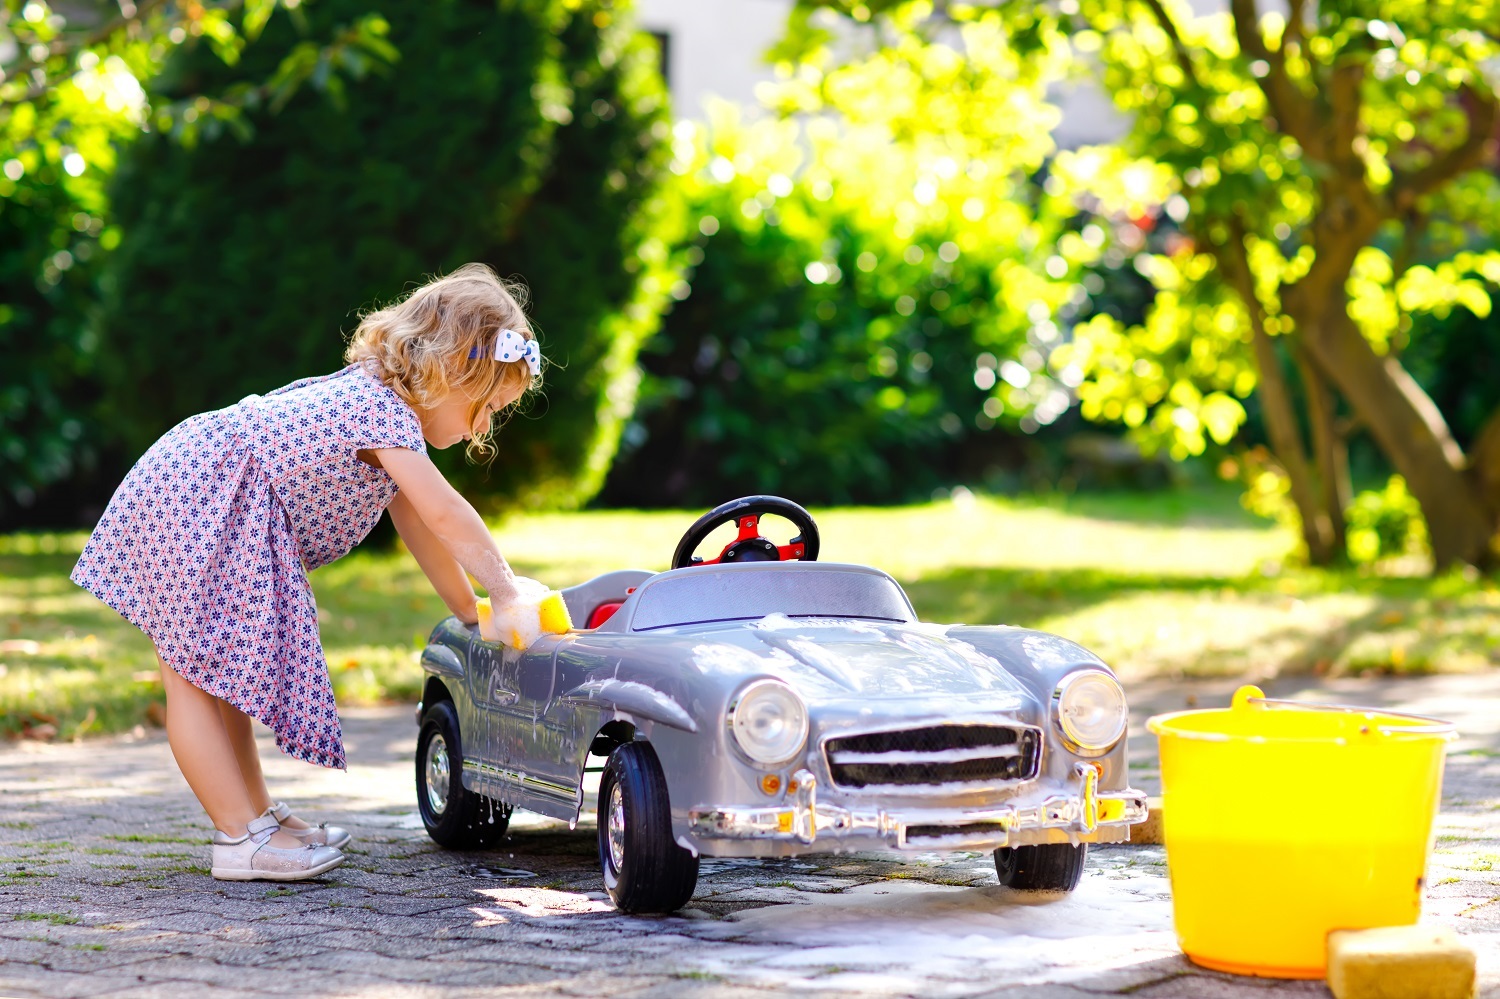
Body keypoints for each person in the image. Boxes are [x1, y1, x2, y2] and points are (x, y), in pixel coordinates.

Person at [71, 263, 543, 881]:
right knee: (189, 676)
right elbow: (447, 514)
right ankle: (239, 840)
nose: (483, 427)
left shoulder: (379, 404)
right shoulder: (382, 410)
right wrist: (505, 590)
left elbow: (420, 529)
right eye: (485, 407)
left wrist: (468, 611)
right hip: (200, 497)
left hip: (205, 488)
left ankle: (255, 816)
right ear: (452, 369)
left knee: (222, 675)